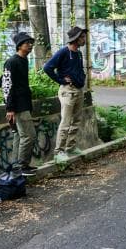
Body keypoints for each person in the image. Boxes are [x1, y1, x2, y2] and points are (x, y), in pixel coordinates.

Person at [0, 31, 37, 172]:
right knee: (29, 136)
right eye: (27, 43)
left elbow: (4, 79)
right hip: (17, 106)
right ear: (19, 46)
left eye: (31, 43)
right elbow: (8, 85)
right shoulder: (12, 61)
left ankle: (16, 165)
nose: (30, 45)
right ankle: (22, 166)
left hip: (23, 103)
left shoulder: (23, 60)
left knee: (19, 135)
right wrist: (10, 108)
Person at [43, 26, 88, 160]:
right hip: (68, 91)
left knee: (77, 121)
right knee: (66, 122)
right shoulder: (63, 52)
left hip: (79, 90)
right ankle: (59, 152)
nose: (84, 39)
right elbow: (47, 68)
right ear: (75, 39)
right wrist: (61, 80)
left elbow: (78, 69)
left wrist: (82, 78)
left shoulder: (78, 53)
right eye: (82, 37)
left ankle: (71, 147)